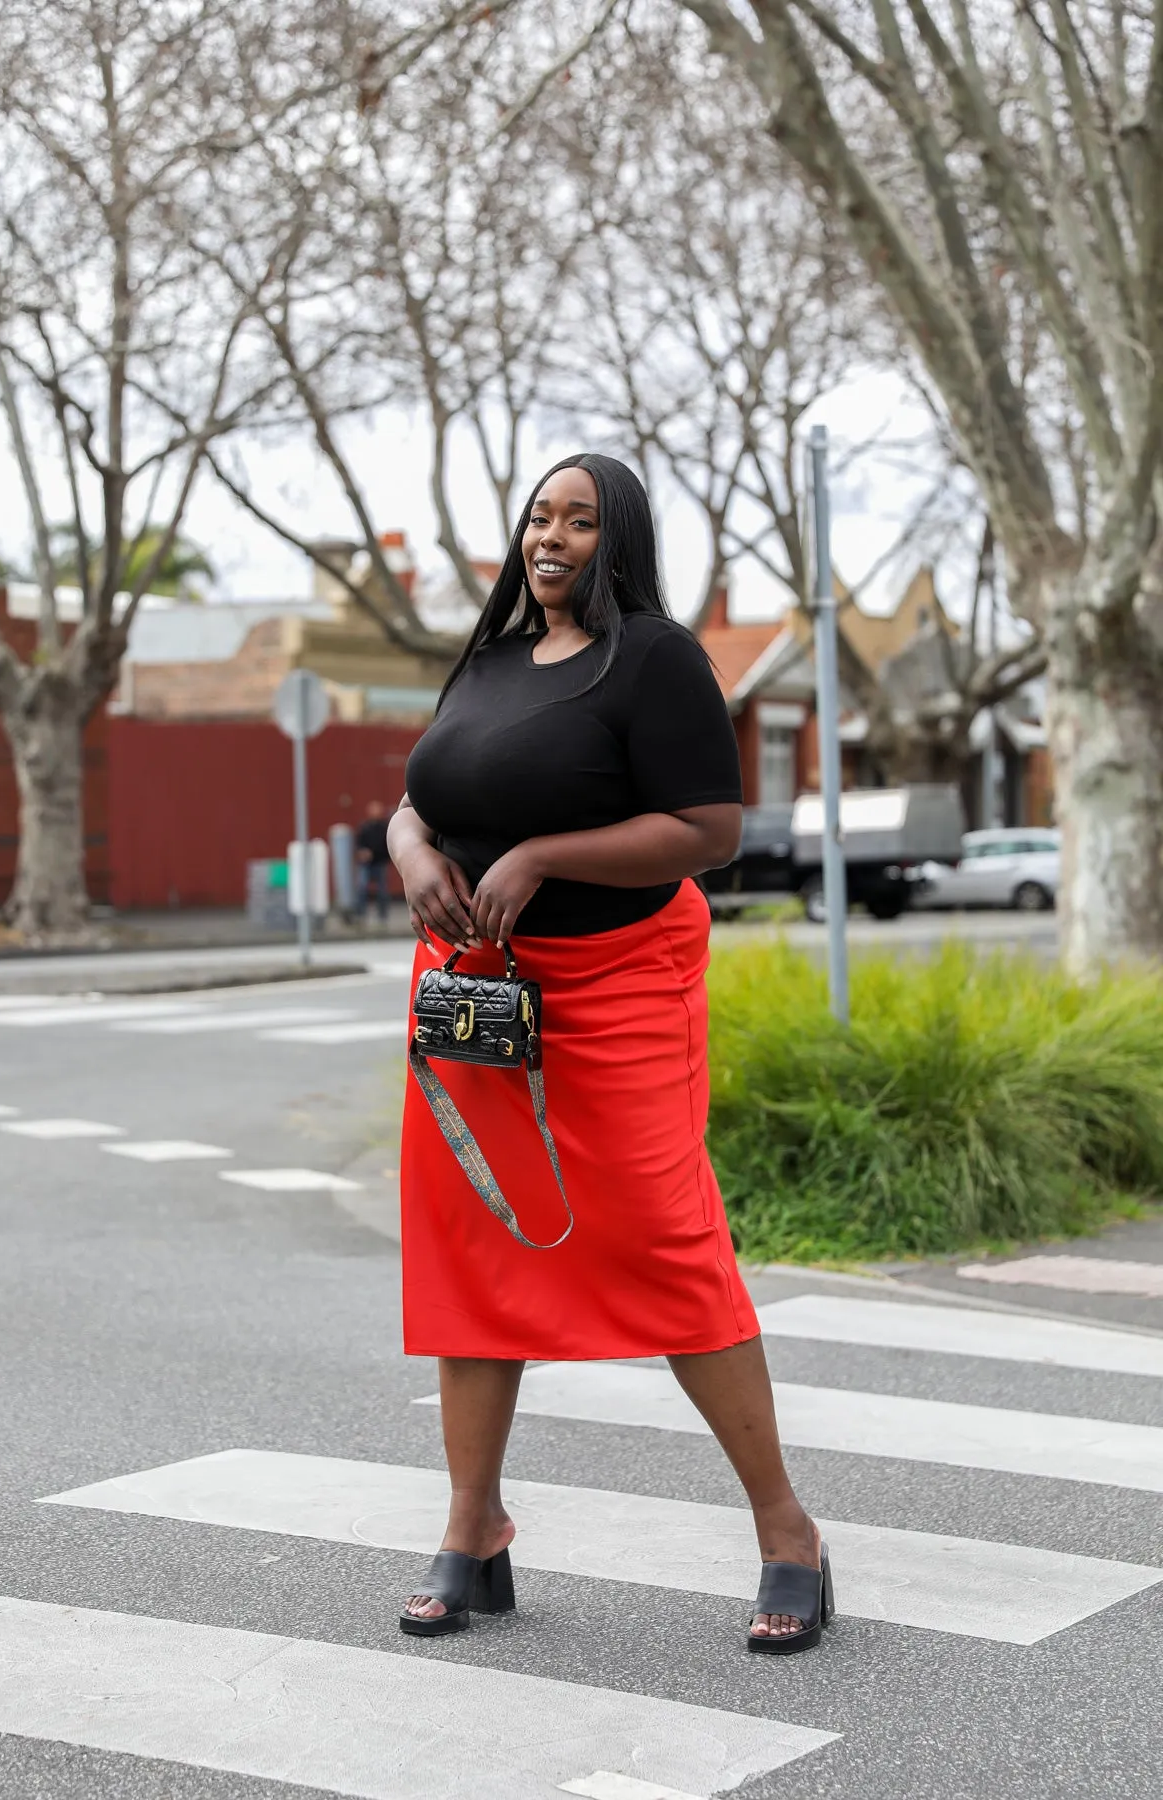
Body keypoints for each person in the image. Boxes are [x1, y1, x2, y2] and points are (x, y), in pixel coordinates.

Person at [387, 453, 829, 1654]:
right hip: (476, 995)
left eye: (580, 522)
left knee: (668, 1242)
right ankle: (472, 1531)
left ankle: (789, 1536)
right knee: (472, 1254)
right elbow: (430, 788)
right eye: (540, 516)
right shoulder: (485, 658)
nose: (553, 537)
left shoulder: (657, 658)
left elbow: (709, 832)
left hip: (618, 987)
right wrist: (408, 843)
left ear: (617, 540)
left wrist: (541, 856)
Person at [355, 799, 392, 927]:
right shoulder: (365, 827)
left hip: (380, 862)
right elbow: (358, 844)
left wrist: (374, 853)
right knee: (362, 888)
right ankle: (361, 915)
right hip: (366, 864)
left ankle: (382, 916)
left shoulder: (384, 827)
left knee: (382, 890)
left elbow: (387, 845)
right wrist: (362, 853)